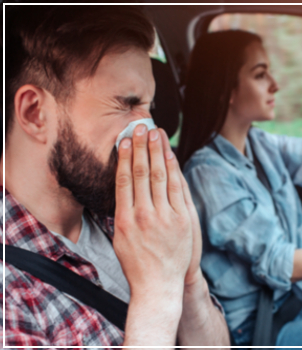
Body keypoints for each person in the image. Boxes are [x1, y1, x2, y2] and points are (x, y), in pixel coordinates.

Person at [1, 5, 230, 347]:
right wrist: (156, 295)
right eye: (127, 104)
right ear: (35, 113)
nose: (149, 128)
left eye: (149, 109)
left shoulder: (122, 210)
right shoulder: (12, 290)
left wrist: (189, 281)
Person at [178, 30, 302, 347]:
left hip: (294, 300)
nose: (275, 84)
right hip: (259, 328)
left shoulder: (258, 144)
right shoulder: (207, 174)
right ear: (227, 89)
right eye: (260, 74)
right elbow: (281, 263)